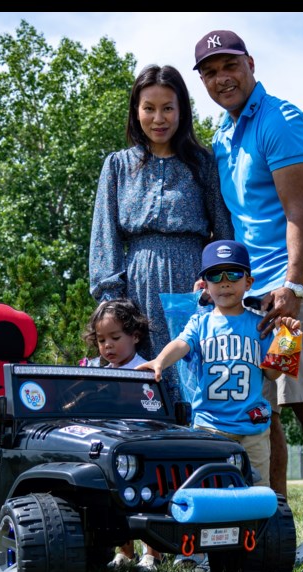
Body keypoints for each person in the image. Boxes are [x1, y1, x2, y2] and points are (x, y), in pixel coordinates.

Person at [193, 30, 303, 564]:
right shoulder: (225, 132)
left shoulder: (280, 121)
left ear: (250, 64)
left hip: (295, 288)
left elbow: (299, 214)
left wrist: (295, 288)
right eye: (209, 73)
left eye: (228, 65)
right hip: (253, 291)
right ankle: (273, 523)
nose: (220, 78)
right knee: (263, 409)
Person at [138, 240, 300, 570]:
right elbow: (181, 345)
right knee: (206, 492)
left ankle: (258, 550)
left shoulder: (259, 324)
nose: (224, 281)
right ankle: (195, 550)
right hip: (209, 426)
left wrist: (289, 339)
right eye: (215, 275)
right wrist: (158, 362)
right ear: (205, 285)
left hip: (253, 428)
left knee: (257, 491)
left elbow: (271, 373)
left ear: (248, 282)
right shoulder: (200, 323)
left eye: (233, 274)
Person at [89, 63, 233, 404]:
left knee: (193, 379)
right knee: (142, 388)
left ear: (182, 111)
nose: (159, 118)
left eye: (168, 108)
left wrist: (219, 285)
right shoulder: (118, 165)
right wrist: (113, 303)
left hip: (192, 284)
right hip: (136, 289)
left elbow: (224, 232)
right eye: (149, 108)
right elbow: (104, 234)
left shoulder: (204, 164)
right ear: (135, 112)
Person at [79, 299, 163, 571]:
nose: (108, 346)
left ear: (135, 336)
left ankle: (153, 553)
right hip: (114, 452)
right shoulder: (101, 374)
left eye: (115, 338)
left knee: (151, 498)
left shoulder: (145, 370)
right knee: (115, 500)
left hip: (143, 449)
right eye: (101, 340)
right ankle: (124, 551)